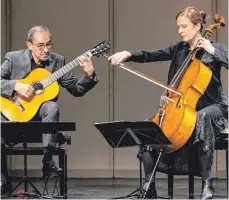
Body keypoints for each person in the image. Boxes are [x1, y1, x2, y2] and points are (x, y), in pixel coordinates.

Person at [108, 7, 228, 200]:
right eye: (178, 27)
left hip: (213, 107)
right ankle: (149, 185)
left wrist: (213, 51)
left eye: (184, 26)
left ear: (198, 26)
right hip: (182, 108)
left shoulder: (215, 49)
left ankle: (207, 184)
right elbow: (151, 55)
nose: (180, 31)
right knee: (149, 127)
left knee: (203, 118)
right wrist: (129, 54)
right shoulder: (179, 49)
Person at [1, 25, 99, 194]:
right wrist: (16, 86)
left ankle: (47, 160)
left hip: (40, 120)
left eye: (49, 44)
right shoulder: (13, 58)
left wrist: (89, 74)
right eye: (41, 46)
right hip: (12, 114)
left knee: (51, 106)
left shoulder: (58, 61)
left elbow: (76, 89)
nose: (46, 50)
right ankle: (2, 180)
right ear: (29, 45)